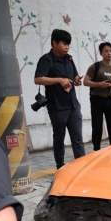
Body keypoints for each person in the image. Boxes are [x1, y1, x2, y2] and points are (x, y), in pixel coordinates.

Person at [34, 29, 85, 169]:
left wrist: (76, 79)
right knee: (59, 139)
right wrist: (59, 80)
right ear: (54, 43)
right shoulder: (46, 59)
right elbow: (38, 79)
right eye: (64, 44)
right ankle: (60, 168)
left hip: (73, 105)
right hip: (57, 107)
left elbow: (74, 75)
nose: (67, 47)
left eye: (68, 44)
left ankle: (81, 168)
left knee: (78, 140)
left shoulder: (69, 59)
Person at [83, 42, 111, 150]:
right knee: (97, 127)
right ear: (101, 53)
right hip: (97, 100)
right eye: (106, 51)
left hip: (110, 100)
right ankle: (96, 149)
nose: (109, 53)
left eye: (110, 50)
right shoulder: (95, 67)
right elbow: (85, 82)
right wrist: (98, 84)